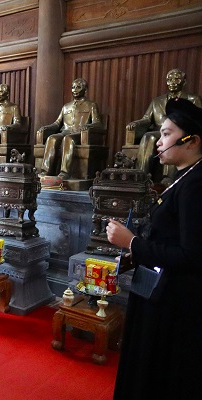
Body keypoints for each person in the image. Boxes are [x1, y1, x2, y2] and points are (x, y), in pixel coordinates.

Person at [107, 98, 202, 399]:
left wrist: (132, 242)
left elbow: (191, 255)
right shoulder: (183, 177)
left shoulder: (196, 184)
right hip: (157, 290)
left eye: (166, 134)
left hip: (173, 301)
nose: (158, 142)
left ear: (192, 141)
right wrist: (136, 251)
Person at [127, 68, 202, 182]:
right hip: (157, 131)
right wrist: (135, 123)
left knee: (171, 140)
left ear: (184, 82)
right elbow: (147, 119)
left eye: (176, 79)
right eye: (169, 79)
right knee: (149, 136)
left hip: (182, 133)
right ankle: (141, 176)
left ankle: (168, 178)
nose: (172, 82)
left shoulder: (193, 99)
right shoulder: (157, 101)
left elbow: (198, 121)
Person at [37, 78, 102, 179]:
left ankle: (64, 172)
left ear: (85, 90)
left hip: (79, 134)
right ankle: (46, 171)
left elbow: (98, 123)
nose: (75, 90)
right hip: (65, 131)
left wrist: (88, 126)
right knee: (51, 138)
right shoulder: (66, 106)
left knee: (68, 139)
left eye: (78, 87)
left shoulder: (91, 105)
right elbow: (57, 123)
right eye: (73, 87)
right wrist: (46, 127)